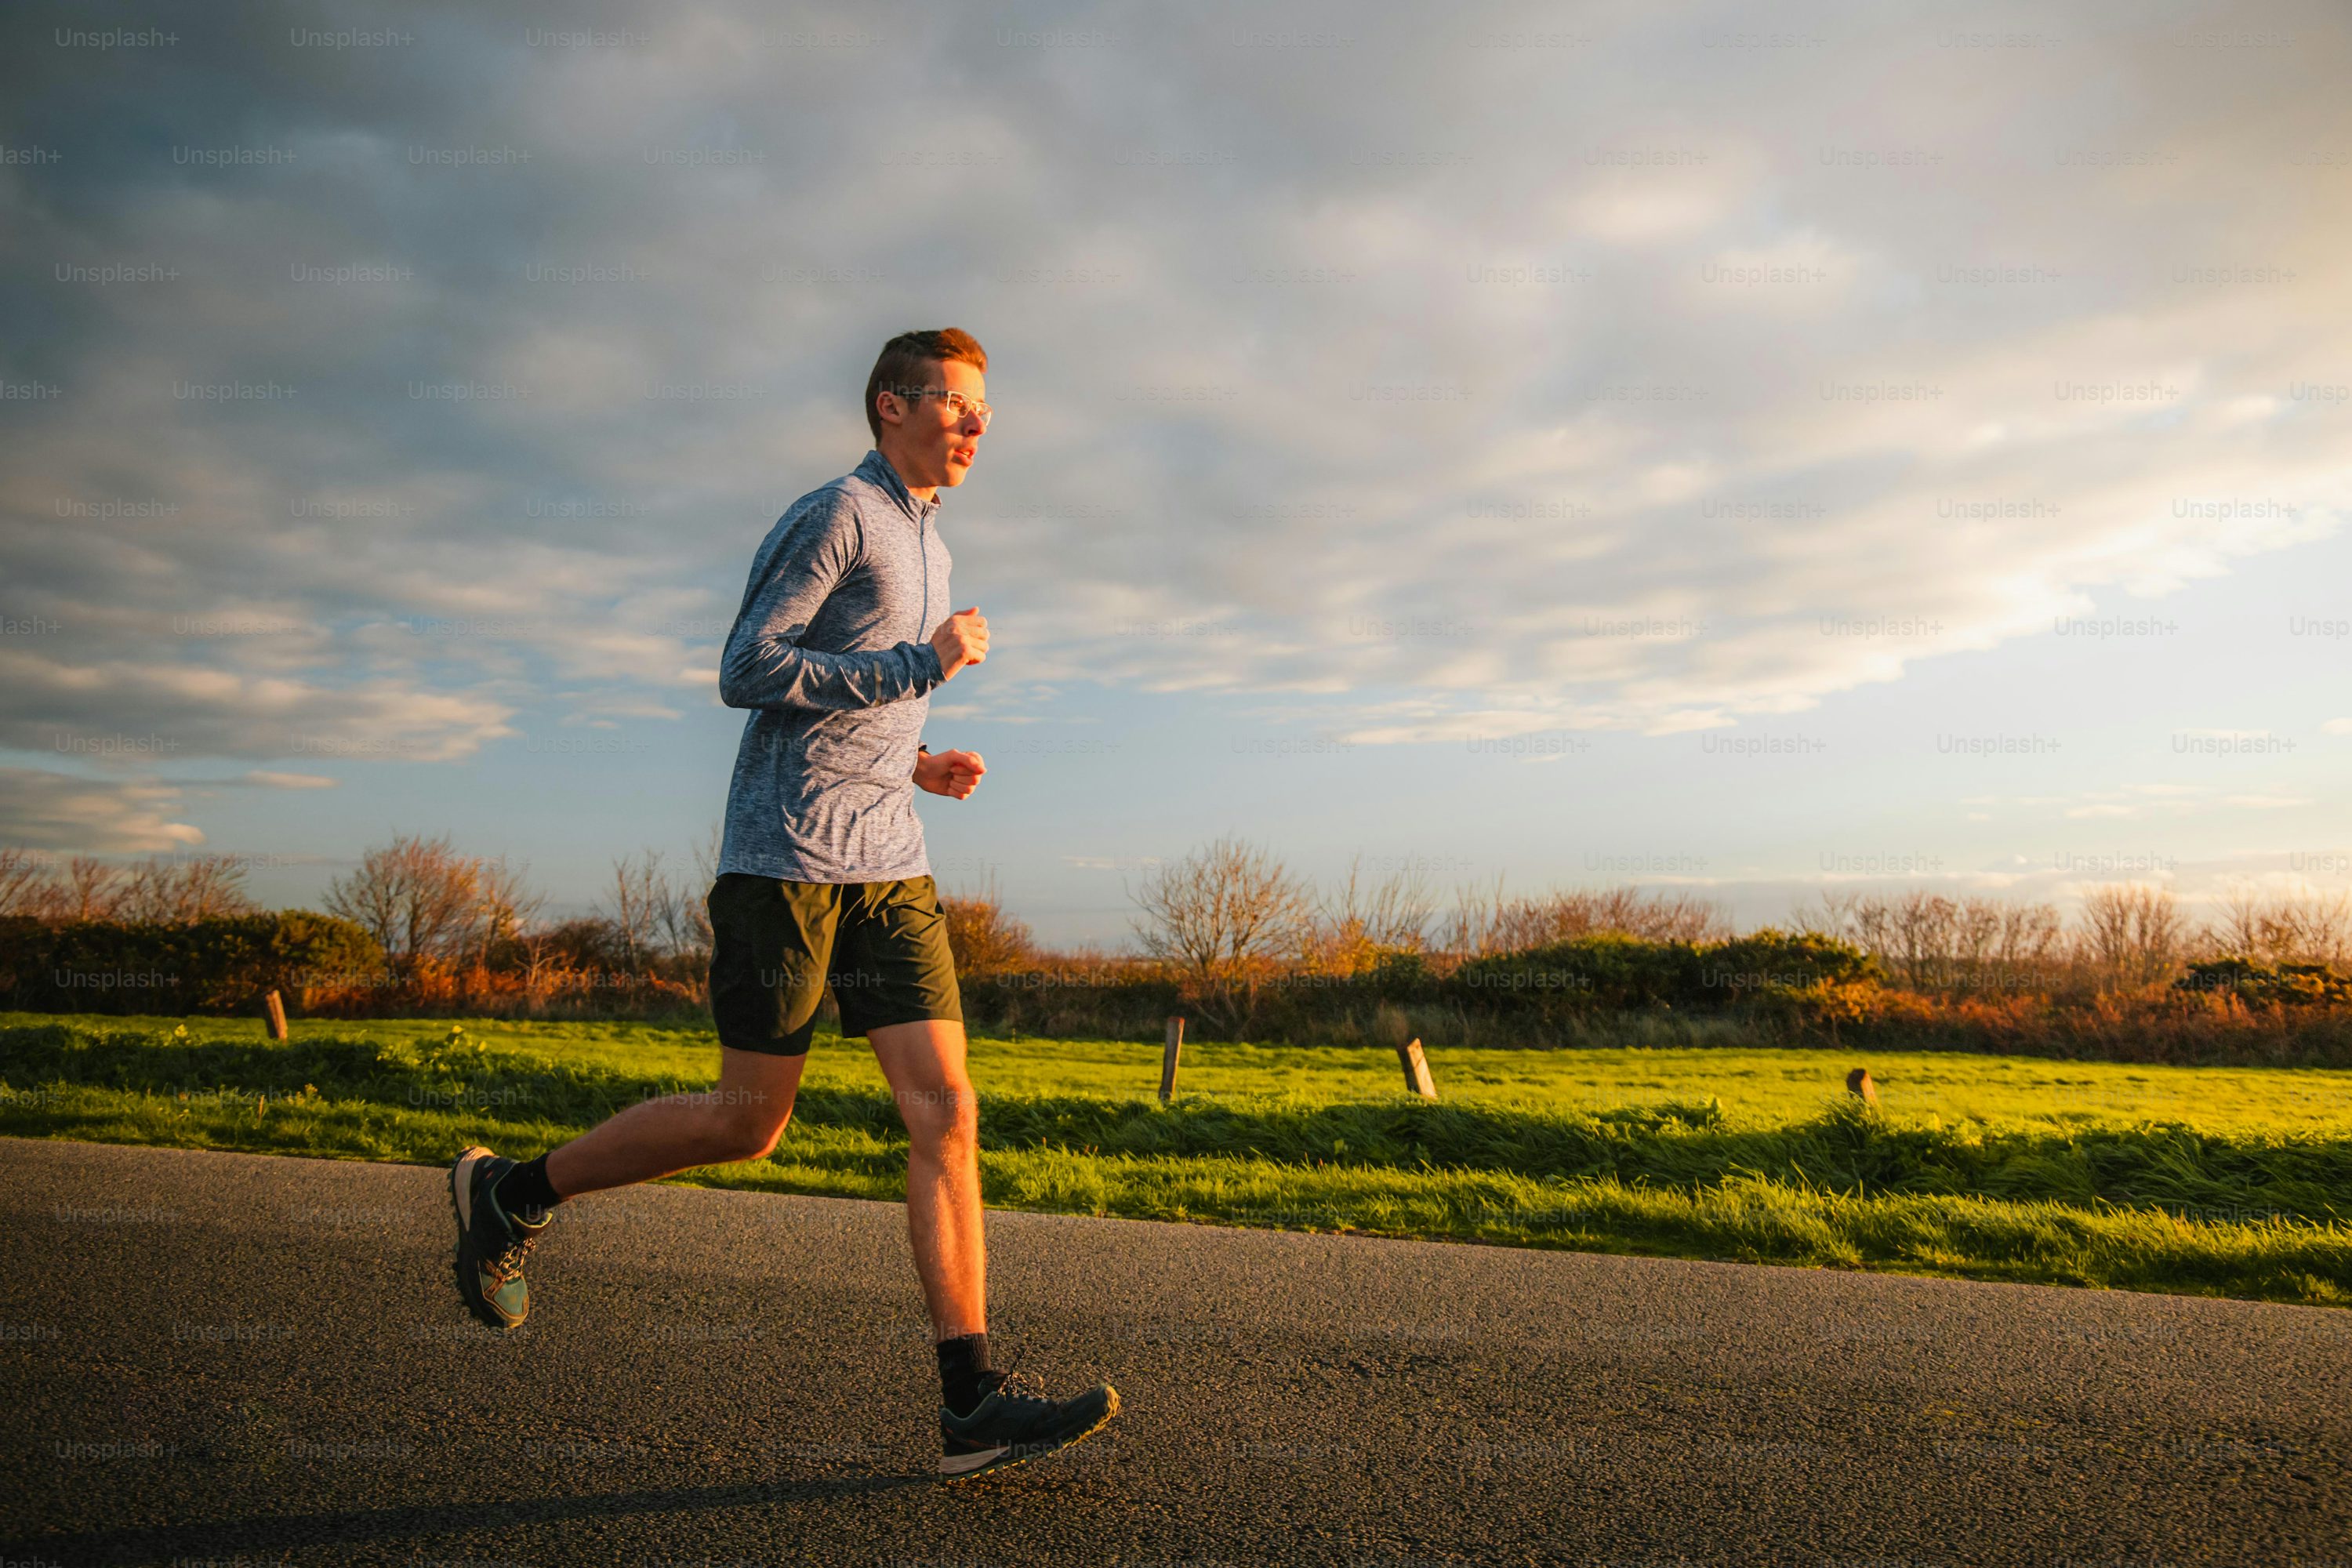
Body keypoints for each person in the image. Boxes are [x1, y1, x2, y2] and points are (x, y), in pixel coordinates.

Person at [446, 328, 1118, 1480]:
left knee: (946, 1114)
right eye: (956, 406)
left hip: (890, 868)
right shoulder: (838, 516)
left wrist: (916, 761)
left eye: (985, 412)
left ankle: (969, 1400)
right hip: (787, 867)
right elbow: (748, 669)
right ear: (890, 405)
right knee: (747, 1124)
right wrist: (920, 669)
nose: (977, 427)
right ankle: (511, 1195)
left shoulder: (930, 544)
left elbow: (854, 698)